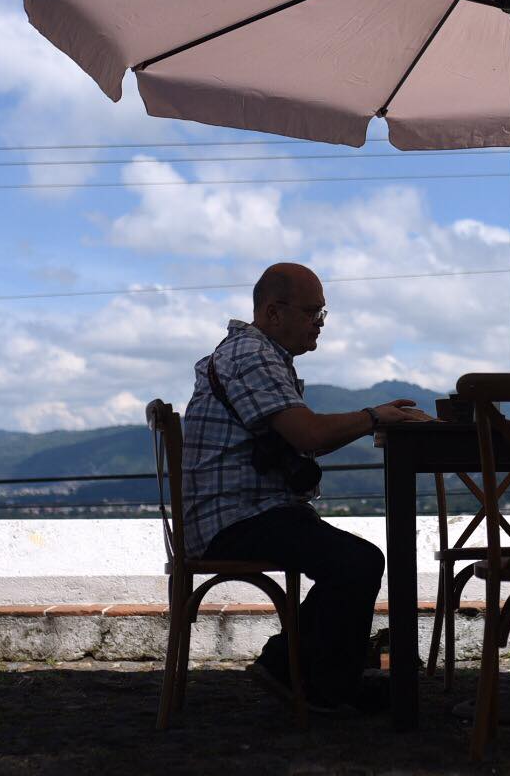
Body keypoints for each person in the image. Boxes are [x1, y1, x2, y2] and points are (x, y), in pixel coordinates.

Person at [183, 262, 432, 712]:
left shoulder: (255, 354)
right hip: (236, 518)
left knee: (352, 561)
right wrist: (374, 416)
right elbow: (310, 436)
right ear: (275, 313)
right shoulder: (252, 355)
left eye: (322, 313)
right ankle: (326, 688)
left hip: (240, 512)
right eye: (313, 312)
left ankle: (290, 665)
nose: (320, 323)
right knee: (356, 562)